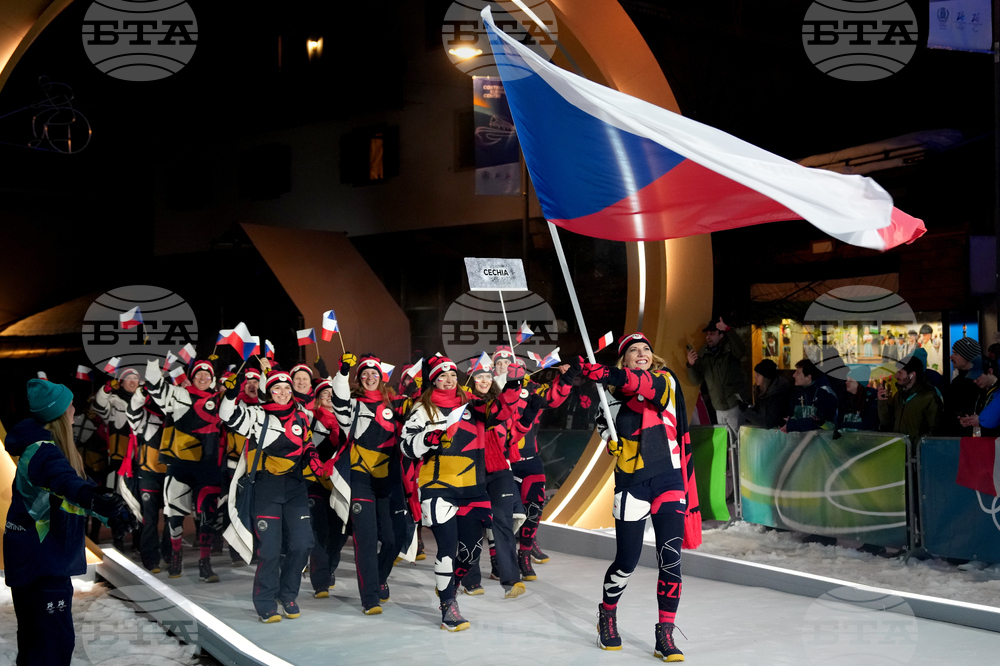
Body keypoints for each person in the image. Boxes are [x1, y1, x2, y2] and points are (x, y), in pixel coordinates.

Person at [582, 333, 700, 661]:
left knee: (670, 558)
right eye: (634, 350)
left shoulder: (665, 379)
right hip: (632, 482)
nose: (642, 353)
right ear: (625, 358)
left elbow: (644, 387)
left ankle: (665, 633)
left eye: (646, 348)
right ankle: (607, 614)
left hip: (669, 478)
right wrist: (611, 440)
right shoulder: (610, 395)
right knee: (627, 561)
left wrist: (606, 373)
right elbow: (603, 422)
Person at [5, 379, 136, 666]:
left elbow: (77, 488)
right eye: (71, 404)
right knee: (52, 644)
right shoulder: (42, 453)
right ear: (60, 413)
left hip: (37, 561)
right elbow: (67, 484)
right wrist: (95, 500)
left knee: (37, 641)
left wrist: (111, 513)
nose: (75, 409)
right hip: (41, 563)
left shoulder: (49, 449)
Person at [401, 355, 515, 632]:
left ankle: (447, 585)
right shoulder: (421, 409)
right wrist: (427, 439)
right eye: (443, 376)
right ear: (433, 380)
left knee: (471, 551)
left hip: (472, 487)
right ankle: (448, 604)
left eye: (453, 375)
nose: (449, 380)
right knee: (448, 549)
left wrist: (512, 382)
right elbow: (406, 446)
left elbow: (501, 413)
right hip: (438, 486)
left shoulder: (473, 406)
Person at [220, 367, 330, 623]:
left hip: (294, 487)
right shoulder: (257, 415)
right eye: (277, 388)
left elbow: (309, 443)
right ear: (268, 392)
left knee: (303, 543)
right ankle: (265, 602)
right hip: (266, 487)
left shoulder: (301, 416)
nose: (283, 393)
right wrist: (231, 393)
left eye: (287, 389)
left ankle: (288, 594)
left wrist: (313, 457)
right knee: (270, 549)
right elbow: (227, 415)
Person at [331, 353, 412, 614]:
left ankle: (378, 576)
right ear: (359, 379)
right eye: (364, 374)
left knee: (393, 539)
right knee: (365, 541)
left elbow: (420, 416)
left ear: (382, 376)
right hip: (361, 479)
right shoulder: (352, 405)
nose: (369, 377)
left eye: (374, 373)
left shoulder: (396, 404)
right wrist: (343, 373)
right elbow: (339, 398)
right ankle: (370, 598)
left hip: (390, 480)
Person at [491, 345, 575, 580]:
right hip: (500, 463)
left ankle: (525, 554)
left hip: (529, 459)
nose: (503, 367)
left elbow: (555, 398)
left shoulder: (531, 388)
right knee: (502, 513)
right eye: (498, 364)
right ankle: (498, 557)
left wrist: (566, 377)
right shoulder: (489, 391)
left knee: (534, 507)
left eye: (507, 363)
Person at [459, 359, 537, 598]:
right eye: (479, 377)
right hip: (472, 471)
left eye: (487, 376)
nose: (484, 381)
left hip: (500, 469)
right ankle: (469, 579)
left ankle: (511, 579)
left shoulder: (500, 404)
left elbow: (511, 437)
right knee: (471, 527)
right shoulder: (464, 405)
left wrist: (525, 419)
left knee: (502, 521)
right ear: (471, 380)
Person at [144, 358, 224, 582]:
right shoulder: (178, 394)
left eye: (207, 374)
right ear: (191, 376)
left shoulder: (220, 400)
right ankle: (176, 556)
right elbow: (153, 384)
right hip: (179, 465)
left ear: (213, 378)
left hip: (207, 468)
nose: (202, 377)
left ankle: (204, 564)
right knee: (175, 516)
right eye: (199, 373)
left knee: (207, 517)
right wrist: (153, 359)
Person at [126, 383, 172, 573]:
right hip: (149, 475)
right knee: (150, 519)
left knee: (172, 519)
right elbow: (132, 410)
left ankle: (170, 556)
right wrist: (140, 392)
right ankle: (150, 559)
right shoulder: (144, 415)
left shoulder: (175, 415)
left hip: (171, 475)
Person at [686, 317, 748, 447]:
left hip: (734, 404)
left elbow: (741, 350)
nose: (708, 337)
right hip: (718, 407)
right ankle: (730, 466)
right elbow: (696, 380)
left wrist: (728, 330)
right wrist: (691, 365)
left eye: (712, 334)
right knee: (725, 442)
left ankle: (739, 466)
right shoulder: (704, 354)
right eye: (707, 334)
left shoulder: (730, 349)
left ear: (721, 335)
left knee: (739, 442)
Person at [877, 350, 942, 444]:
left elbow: (935, 431)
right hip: (899, 450)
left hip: (917, 454)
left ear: (912, 375)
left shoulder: (929, 397)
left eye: (900, 372)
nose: (896, 376)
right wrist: (882, 403)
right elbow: (888, 423)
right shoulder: (898, 395)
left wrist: (916, 446)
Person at [782, 359, 838, 432]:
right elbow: (792, 413)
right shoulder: (797, 391)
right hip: (800, 438)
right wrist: (789, 420)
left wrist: (792, 425)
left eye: (798, 373)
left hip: (824, 441)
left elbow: (821, 422)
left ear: (808, 377)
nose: (793, 375)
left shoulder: (825, 393)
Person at [944, 337, 982, 436]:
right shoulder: (958, 380)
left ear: (967, 356)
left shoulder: (978, 382)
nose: (951, 357)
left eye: (955, 353)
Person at [742, 359, 791, 429]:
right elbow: (760, 413)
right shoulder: (759, 390)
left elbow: (768, 422)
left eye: (758, 375)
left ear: (766, 378)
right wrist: (748, 408)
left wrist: (746, 411)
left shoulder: (779, 395)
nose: (755, 377)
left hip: (777, 433)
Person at [958, 356, 1000, 438]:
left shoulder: (998, 392)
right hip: (978, 442)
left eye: (977, 376)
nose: (975, 381)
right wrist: (967, 421)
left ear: (990, 371)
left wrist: (980, 421)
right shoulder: (976, 391)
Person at [836, 365, 879, 432]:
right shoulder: (846, 399)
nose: (846, 382)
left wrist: (843, 425)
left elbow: (868, 425)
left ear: (860, 383)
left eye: (850, 380)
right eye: (847, 380)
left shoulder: (872, 400)